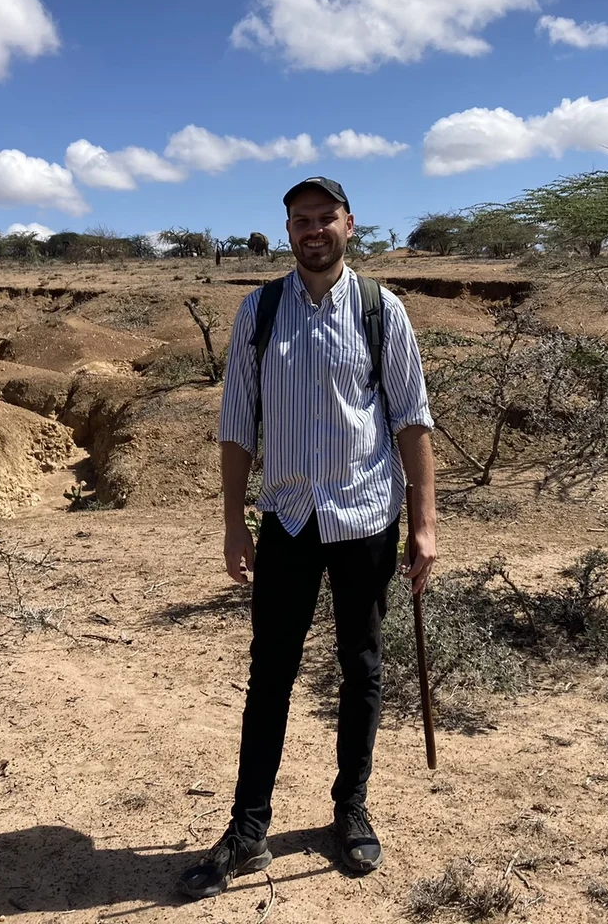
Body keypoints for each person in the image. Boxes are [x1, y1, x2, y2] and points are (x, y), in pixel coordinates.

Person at [177, 176, 437, 899]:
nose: (313, 229)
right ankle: (248, 829)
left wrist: (425, 524)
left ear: (350, 225)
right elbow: (236, 426)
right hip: (288, 520)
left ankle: (349, 811)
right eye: (301, 219)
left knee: (362, 666)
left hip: (363, 517)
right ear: (286, 230)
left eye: (326, 217)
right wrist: (235, 521)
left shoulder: (383, 311)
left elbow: (412, 420)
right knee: (270, 678)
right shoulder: (258, 312)